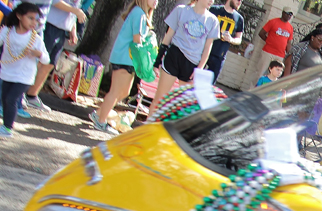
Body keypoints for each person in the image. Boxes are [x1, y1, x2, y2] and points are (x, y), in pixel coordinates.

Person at [89, 0, 155, 133]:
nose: (156, 2)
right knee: (116, 91)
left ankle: (99, 114)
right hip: (125, 58)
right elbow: (137, 40)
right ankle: (101, 121)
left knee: (124, 92)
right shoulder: (140, 14)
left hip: (127, 59)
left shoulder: (139, 13)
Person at [148, 0, 218, 117]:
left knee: (182, 107)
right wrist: (158, 60)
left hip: (191, 64)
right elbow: (168, 36)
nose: (212, 1)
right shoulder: (181, 10)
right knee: (159, 100)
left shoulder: (213, 20)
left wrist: (200, 68)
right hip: (174, 56)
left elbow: (208, 47)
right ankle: (148, 125)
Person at [19, 0, 84, 114]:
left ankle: (32, 95)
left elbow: (75, 6)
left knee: (49, 64)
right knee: (36, 61)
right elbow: (55, 2)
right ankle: (20, 94)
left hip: (62, 28)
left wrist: (73, 28)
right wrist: (76, 11)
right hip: (50, 24)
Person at [0, 2, 49, 137]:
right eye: (30, 18)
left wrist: (39, 54)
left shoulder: (36, 39)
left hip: (24, 76)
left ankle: (8, 128)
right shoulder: (7, 31)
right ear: (19, 16)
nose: (34, 22)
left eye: (36, 19)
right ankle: (5, 125)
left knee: (11, 99)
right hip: (7, 72)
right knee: (5, 99)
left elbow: (47, 59)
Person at [206, 0, 243, 84]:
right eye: (238, 0)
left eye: (241, 1)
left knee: (209, 85)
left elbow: (239, 39)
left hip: (220, 56)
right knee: (193, 80)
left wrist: (231, 39)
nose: (240, 2)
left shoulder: (239, 19)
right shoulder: (214, 10)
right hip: (205, 50)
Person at [257, 8, 292, 77]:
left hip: (280, 55)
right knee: (261, 72)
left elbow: (288, 43)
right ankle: (255, 84)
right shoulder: (273, 22)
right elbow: (261, 33)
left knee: (274, 75)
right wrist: (269, 41)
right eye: (287, 13)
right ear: (283, 13)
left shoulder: (290, 27)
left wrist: (289, 55)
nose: (289, 16)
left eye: (290, 14)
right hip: (268, 52)